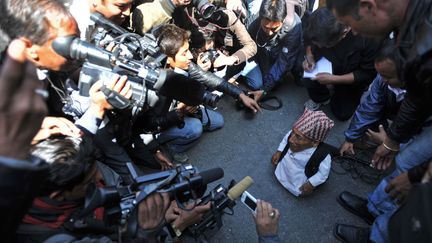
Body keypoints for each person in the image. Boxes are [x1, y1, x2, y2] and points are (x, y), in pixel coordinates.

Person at [326, 0, 432, 172]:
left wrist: (391, 141)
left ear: (368, 6)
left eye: (350, 24)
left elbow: (418, 104)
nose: (354, 31)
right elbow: (370, 105)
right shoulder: (410, 31)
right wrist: (351, 138)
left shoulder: (423, 50)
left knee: (408, 162)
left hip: (423, 126)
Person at [302, 8, 379, 121]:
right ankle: (322, 97)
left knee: (342, 113)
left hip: (350, 72)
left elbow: (366, 74)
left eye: (324, 44)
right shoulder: (321, 16)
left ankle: (336, 90)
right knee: (307, 75)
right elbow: (308, 38)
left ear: (344, 33)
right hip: (325, 60)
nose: (320, 46)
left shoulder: (370, 37)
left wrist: (334, 79)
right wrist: (309, 56)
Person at [339, 43, 405, 155]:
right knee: (373, 115)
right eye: (380, 74)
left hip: (416, 126)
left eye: (388, 77)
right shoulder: (383, 78)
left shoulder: (423, 99)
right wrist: (350, 138)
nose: (382, 80)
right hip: (391, 105)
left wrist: (389, 143)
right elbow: (370, 107)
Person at [271, 108, 335, 197]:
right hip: (284, 166)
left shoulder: (322, 155)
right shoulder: (294, 134)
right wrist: (279, 151)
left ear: (315, 142)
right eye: (293, 132)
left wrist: (311, 184)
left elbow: (323, 174)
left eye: (298, 137)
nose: (291, 139)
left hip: (298, 178)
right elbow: (286, 139)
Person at [245, 0, 303, 91]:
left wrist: (264, 90)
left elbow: (284, 61)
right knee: (259, 83)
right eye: (265, 27)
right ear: (260, 18)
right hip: (267, 50)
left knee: (297, 65)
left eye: (274, 28)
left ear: (283, 20)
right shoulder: (254, 21)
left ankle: (299, 75)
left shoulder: (294, 26)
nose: (269, 32)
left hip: (286, 51)